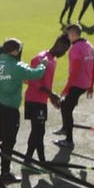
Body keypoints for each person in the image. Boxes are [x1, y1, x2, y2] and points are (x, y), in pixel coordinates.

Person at [0, 38, 46, 183]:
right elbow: (35, 75)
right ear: (14, 51)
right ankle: (5, 172)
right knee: (9, 141)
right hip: (10, 108)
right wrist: (43, 65)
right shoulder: (16, 66)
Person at [23, 36, 69, 170]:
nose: (64, 53)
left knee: (38, 131)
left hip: (40, 100)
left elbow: (45, 83)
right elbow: (33, 80)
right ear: (58, 44)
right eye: (64, 49)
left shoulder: (53, 60)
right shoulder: (41, 58)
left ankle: (29, 161)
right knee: (38, 131)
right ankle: (39, 162)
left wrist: (51, 97)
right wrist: (51, 95)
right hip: (33, 100)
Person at [55, 24, 94, 149]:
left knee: (66, 109)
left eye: (68, 34)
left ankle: (69, 140)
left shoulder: (75, 49)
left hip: (77, 84)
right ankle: (65, 128)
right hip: (86, 83)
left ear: (73, 34)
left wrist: (66, 89)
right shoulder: (89, 45)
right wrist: (91, 86)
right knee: (65, 105)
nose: (67, 37)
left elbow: (75, 72)